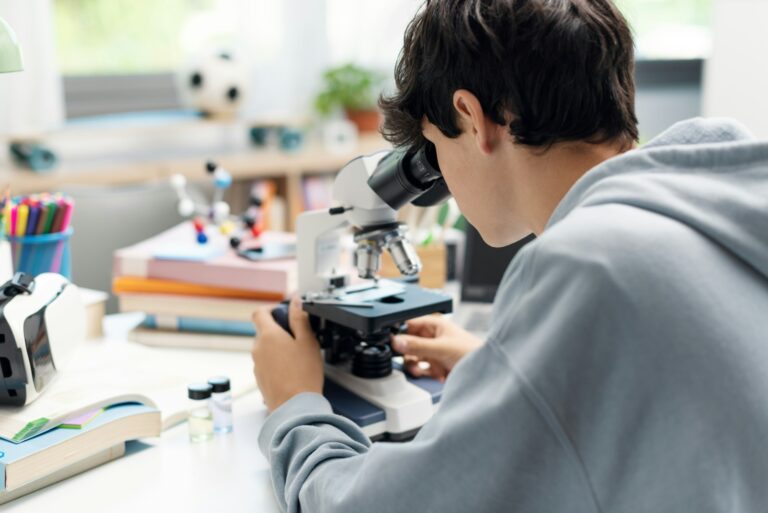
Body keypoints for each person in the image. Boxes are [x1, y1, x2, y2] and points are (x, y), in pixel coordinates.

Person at [251, 0, 768, 511]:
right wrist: (507, 371)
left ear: (471, 117)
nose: (444, 180)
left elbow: (378, 505)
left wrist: (297, 406)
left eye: (434, 150)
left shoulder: (589, 262)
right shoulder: (716, 208)